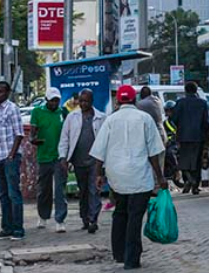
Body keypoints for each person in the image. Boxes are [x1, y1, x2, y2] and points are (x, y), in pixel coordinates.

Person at [90, 85, 166, 270]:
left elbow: (99, 152)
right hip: (140, 176)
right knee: (135, 217)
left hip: (117, 176)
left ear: (118, 101)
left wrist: (98, 174)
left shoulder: (110, 120)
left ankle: (119, 254)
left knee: (120, 212)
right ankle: (131, 259)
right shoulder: (145, 119)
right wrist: (160, 178)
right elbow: (153, 154)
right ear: (134, 100)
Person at [57, 89, 106, 234]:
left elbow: (105, 140)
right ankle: (85, 218)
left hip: (95, 162)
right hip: (78, 161)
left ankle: (93, 219)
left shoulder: (101, 117)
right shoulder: (72, 117)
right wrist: (63, 157)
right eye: (81, 100)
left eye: (86, 101)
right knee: (83, 191)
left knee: (94, 190)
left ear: (92, 101)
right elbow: (64, 138)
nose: (83, 104)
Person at [0, 81, 25, 240]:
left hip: (10, 156)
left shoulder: (12, 109)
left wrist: (12, 154)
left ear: (7, 93)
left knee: (13, 193)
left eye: (0, 92)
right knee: (2, 194)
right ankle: (6, 227)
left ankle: (18, 228)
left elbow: (19, 134)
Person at [30, 87, 68, 233]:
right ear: (46, 100)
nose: (54, 103)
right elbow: (32, 134)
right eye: (52, 101)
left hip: (59, 156)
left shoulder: (62, 112)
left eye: (57, 101)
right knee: (44, 189)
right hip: (44, 155)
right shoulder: (37, 112)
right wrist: (34, 140)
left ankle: (60, 219)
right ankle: (43, 215)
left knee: (60, 189)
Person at [169, 81, 209, 194]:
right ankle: (195, 185)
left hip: (183, 136)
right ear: (196, 90)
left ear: (185, 90)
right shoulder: (202, 103)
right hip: (198, 136)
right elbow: (207, 121)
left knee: (184, 159)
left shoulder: (180, 103)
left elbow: (173, 119)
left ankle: (188, 180)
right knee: (196, 161)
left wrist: (180, 128)